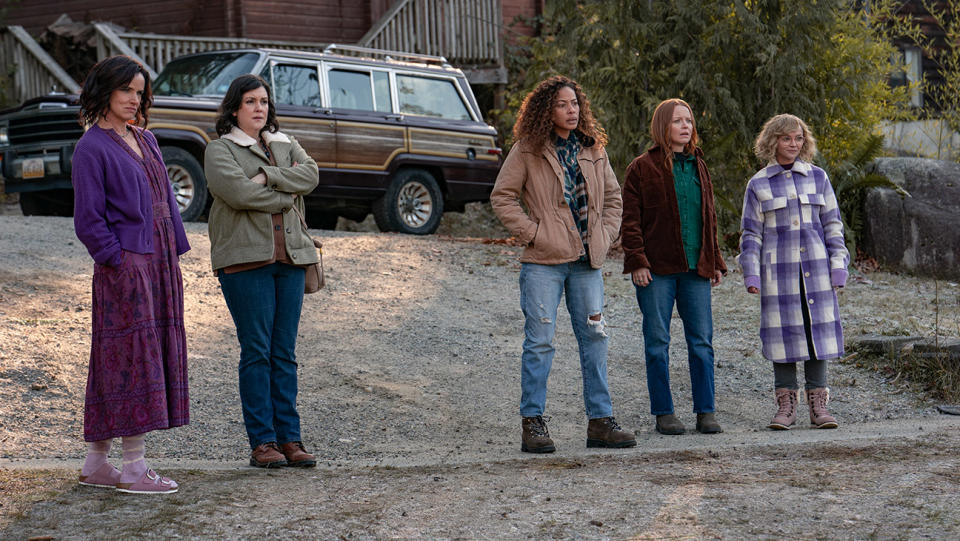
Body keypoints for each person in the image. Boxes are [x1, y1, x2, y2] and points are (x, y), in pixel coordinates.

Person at [490, 75, 635, 453]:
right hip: (544, 262)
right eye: (562, 105)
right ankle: (533, 423)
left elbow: (614, 198)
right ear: (546, 110)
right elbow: (502, 197)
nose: (571, 111)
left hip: (588, 264)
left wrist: (605, 233)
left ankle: (600, 421)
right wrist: (535, 233)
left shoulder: (594, 149)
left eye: (575, 104)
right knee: (539, 342)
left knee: (596, 339)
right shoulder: (527, 149)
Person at [72, 55, 190, 494]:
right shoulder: (91, 147)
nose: (133, 99)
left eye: (139, 92)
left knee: (122, 358)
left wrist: (172, 255)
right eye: (126, 90)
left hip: (158, 266)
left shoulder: (146, 139)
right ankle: (135, 469)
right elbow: (88, 218)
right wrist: (118, 262)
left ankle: (96, 463)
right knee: (128, 360)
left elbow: (166, 203)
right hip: (126, 268)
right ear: (104, 91)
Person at [204, 74, 321, 467]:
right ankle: (263, 443)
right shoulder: (219, 150)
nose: (259, 108)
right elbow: (238, 192)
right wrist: (286, 191)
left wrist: (270, 175)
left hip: (290, 259)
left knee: (283, 353)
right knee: (257, 352)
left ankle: (291, 439)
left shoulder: (285, 143)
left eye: (264, 101)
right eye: (251, 101)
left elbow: (312, 175)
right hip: (244, 263)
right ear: (235, 107)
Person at [620, 98, 727, 436]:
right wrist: (637, 260)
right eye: (678, 121)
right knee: (657, 341)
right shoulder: (642, 167)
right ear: (662, 126)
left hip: (697, 268)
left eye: (689, 121)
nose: (686, 127)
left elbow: (708, 217)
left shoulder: (699, 165)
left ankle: (705, 411)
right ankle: (664, 412)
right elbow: (631, 220)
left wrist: (716, 261)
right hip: (657, 270)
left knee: (701, 342)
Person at [737, 114, 848, 430]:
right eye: (786, 138)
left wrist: (838, 265)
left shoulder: (818, 178)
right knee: (782, 334)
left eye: (798, 138)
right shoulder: (759, 184)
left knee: (817, 333)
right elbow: (750, 233)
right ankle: (786, 406)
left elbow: (833, 225)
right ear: (773, 141)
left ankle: (819, 405)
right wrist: (751, 273)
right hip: (778, 274)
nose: (793, 144)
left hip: (817, 270)